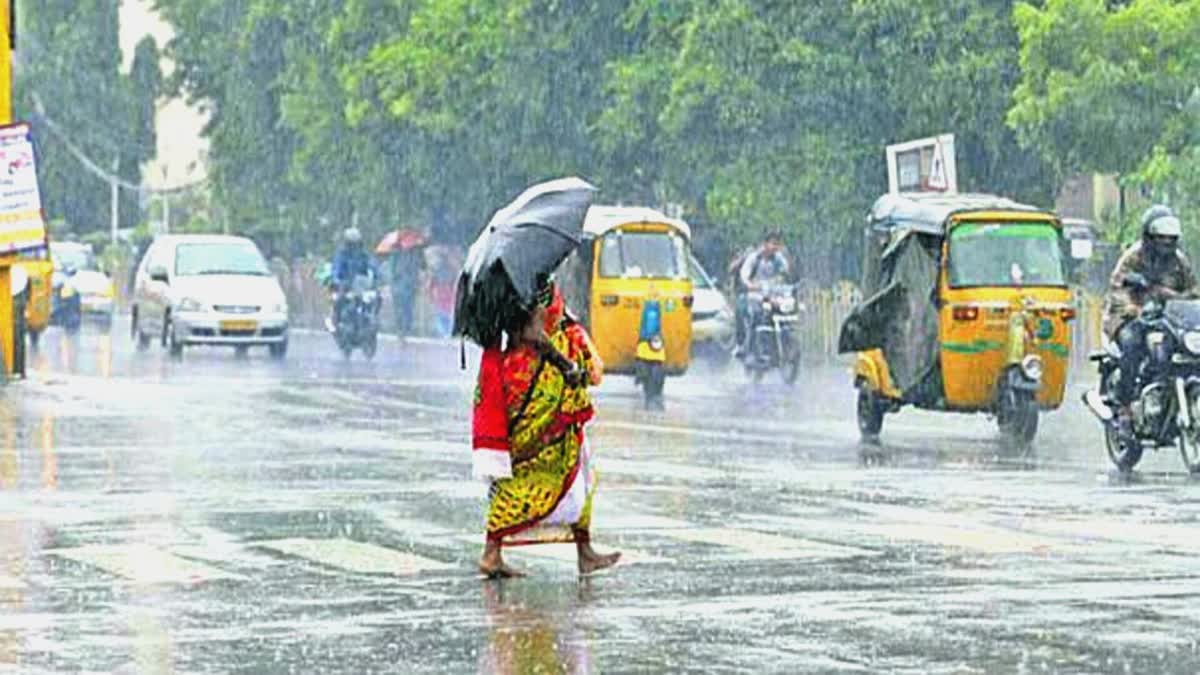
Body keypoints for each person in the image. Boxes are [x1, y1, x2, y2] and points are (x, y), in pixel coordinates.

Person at [471, 277, 620, 578]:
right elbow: (534, 335)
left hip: (533, 383)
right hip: (537, 386)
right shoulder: (528, 284)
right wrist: (566, 365)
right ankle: (491, 551)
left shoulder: (517, 281)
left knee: (576, 466)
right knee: (528, 471)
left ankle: (584, 549)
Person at [1104, 205, 1198, 441]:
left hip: (1165, 320)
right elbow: (1117, 288)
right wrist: (1132, 309)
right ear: (1149, 235)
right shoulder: (1133, 257)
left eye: (1170, 237)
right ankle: (1125, 409)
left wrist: (1180, 299)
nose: (1166, 241)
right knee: (1132, 347)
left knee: (1182, 352)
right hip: (1129, 319)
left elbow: (1193, 290)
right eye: (1160, 236)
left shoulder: (1179, 262)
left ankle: (1164, 395)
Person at [735, 230, 792, 358]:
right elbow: (744, 275)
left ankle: (783, 344)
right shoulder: (754, 258)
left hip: (774, 296)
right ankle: (749, 345)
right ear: (765, 244)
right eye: (773, 243)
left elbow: (785, 272)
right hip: (756, 296)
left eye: (777, 244)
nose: (775, 247)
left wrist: (783, 279)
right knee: (756, 315)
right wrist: (751, 285)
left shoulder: (778, 259)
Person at [330, 227, 379, 326]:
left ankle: (373, 317)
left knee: (377, 297)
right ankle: (336, 318)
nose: (354, 246)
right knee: (339, 299)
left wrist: (376, 276)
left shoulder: (363, 254)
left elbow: (372, 265)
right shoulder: (342, 254)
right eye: (351, 243)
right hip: (346, 283)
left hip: (361, 284)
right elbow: (337, 267)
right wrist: (336, 279)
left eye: (356, 243)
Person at [388, 229, 426, 336]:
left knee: (408, 306)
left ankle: (406, 328)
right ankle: (400, 328)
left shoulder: (417, 252)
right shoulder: (396, 252)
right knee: (399, 307)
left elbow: (423, 266)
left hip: (411, 284)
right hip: (398, 284)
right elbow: (392, 269)